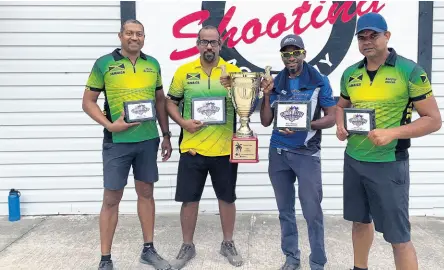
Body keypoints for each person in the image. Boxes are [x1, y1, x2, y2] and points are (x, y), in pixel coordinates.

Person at [335, 12, 442, 270]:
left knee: (398, 237)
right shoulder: (350, 73)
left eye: (374, 35)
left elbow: (433, 120)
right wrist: (340, 124)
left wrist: (392, 133)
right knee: (359, 222)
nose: (367, 41)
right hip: (354, 161)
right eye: (362, 37)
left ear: (387, 36)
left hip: (389, 163)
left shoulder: (410, 71)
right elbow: (341, 106)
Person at [82, 19, 173, 270]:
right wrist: (110, 125)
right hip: (117, 142)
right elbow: (88, 102)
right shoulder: (104, 64)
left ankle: (148, 250)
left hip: (147, 140)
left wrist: (166, 134)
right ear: (120, 36)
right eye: (129, 33)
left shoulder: (152, 63)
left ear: (144, 37)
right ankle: (105, 259)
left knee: (146, 194)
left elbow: (159, 100)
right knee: (112, 198)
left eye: (139, 34)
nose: (135, 38)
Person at [165, 25, 244, 269]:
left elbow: (245, 104)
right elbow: (170, 102)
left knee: (227, 198)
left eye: (214, 42)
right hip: (192, 148)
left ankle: (227, 243)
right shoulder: (184, 71)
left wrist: (232, 86)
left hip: (224, 148)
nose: (209, 46)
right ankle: (187, 245)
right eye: (204, 42)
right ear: (198, 44)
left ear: (221, 45)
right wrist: (182, 122)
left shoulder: (233, 72)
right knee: (189, 200)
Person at [259, 34, 336, 270]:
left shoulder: (319, 80)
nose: (290, 57)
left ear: (303, 53)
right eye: (286, 53)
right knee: (285, 211)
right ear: (281, 56)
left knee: (312, 212)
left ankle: (317, 262)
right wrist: (266, 94)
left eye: (295, 52)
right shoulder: (276, 81)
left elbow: (332, 118)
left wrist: (306, 125)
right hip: (278, 152)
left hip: (306, 154)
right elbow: (265, 121)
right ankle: (291, 258)